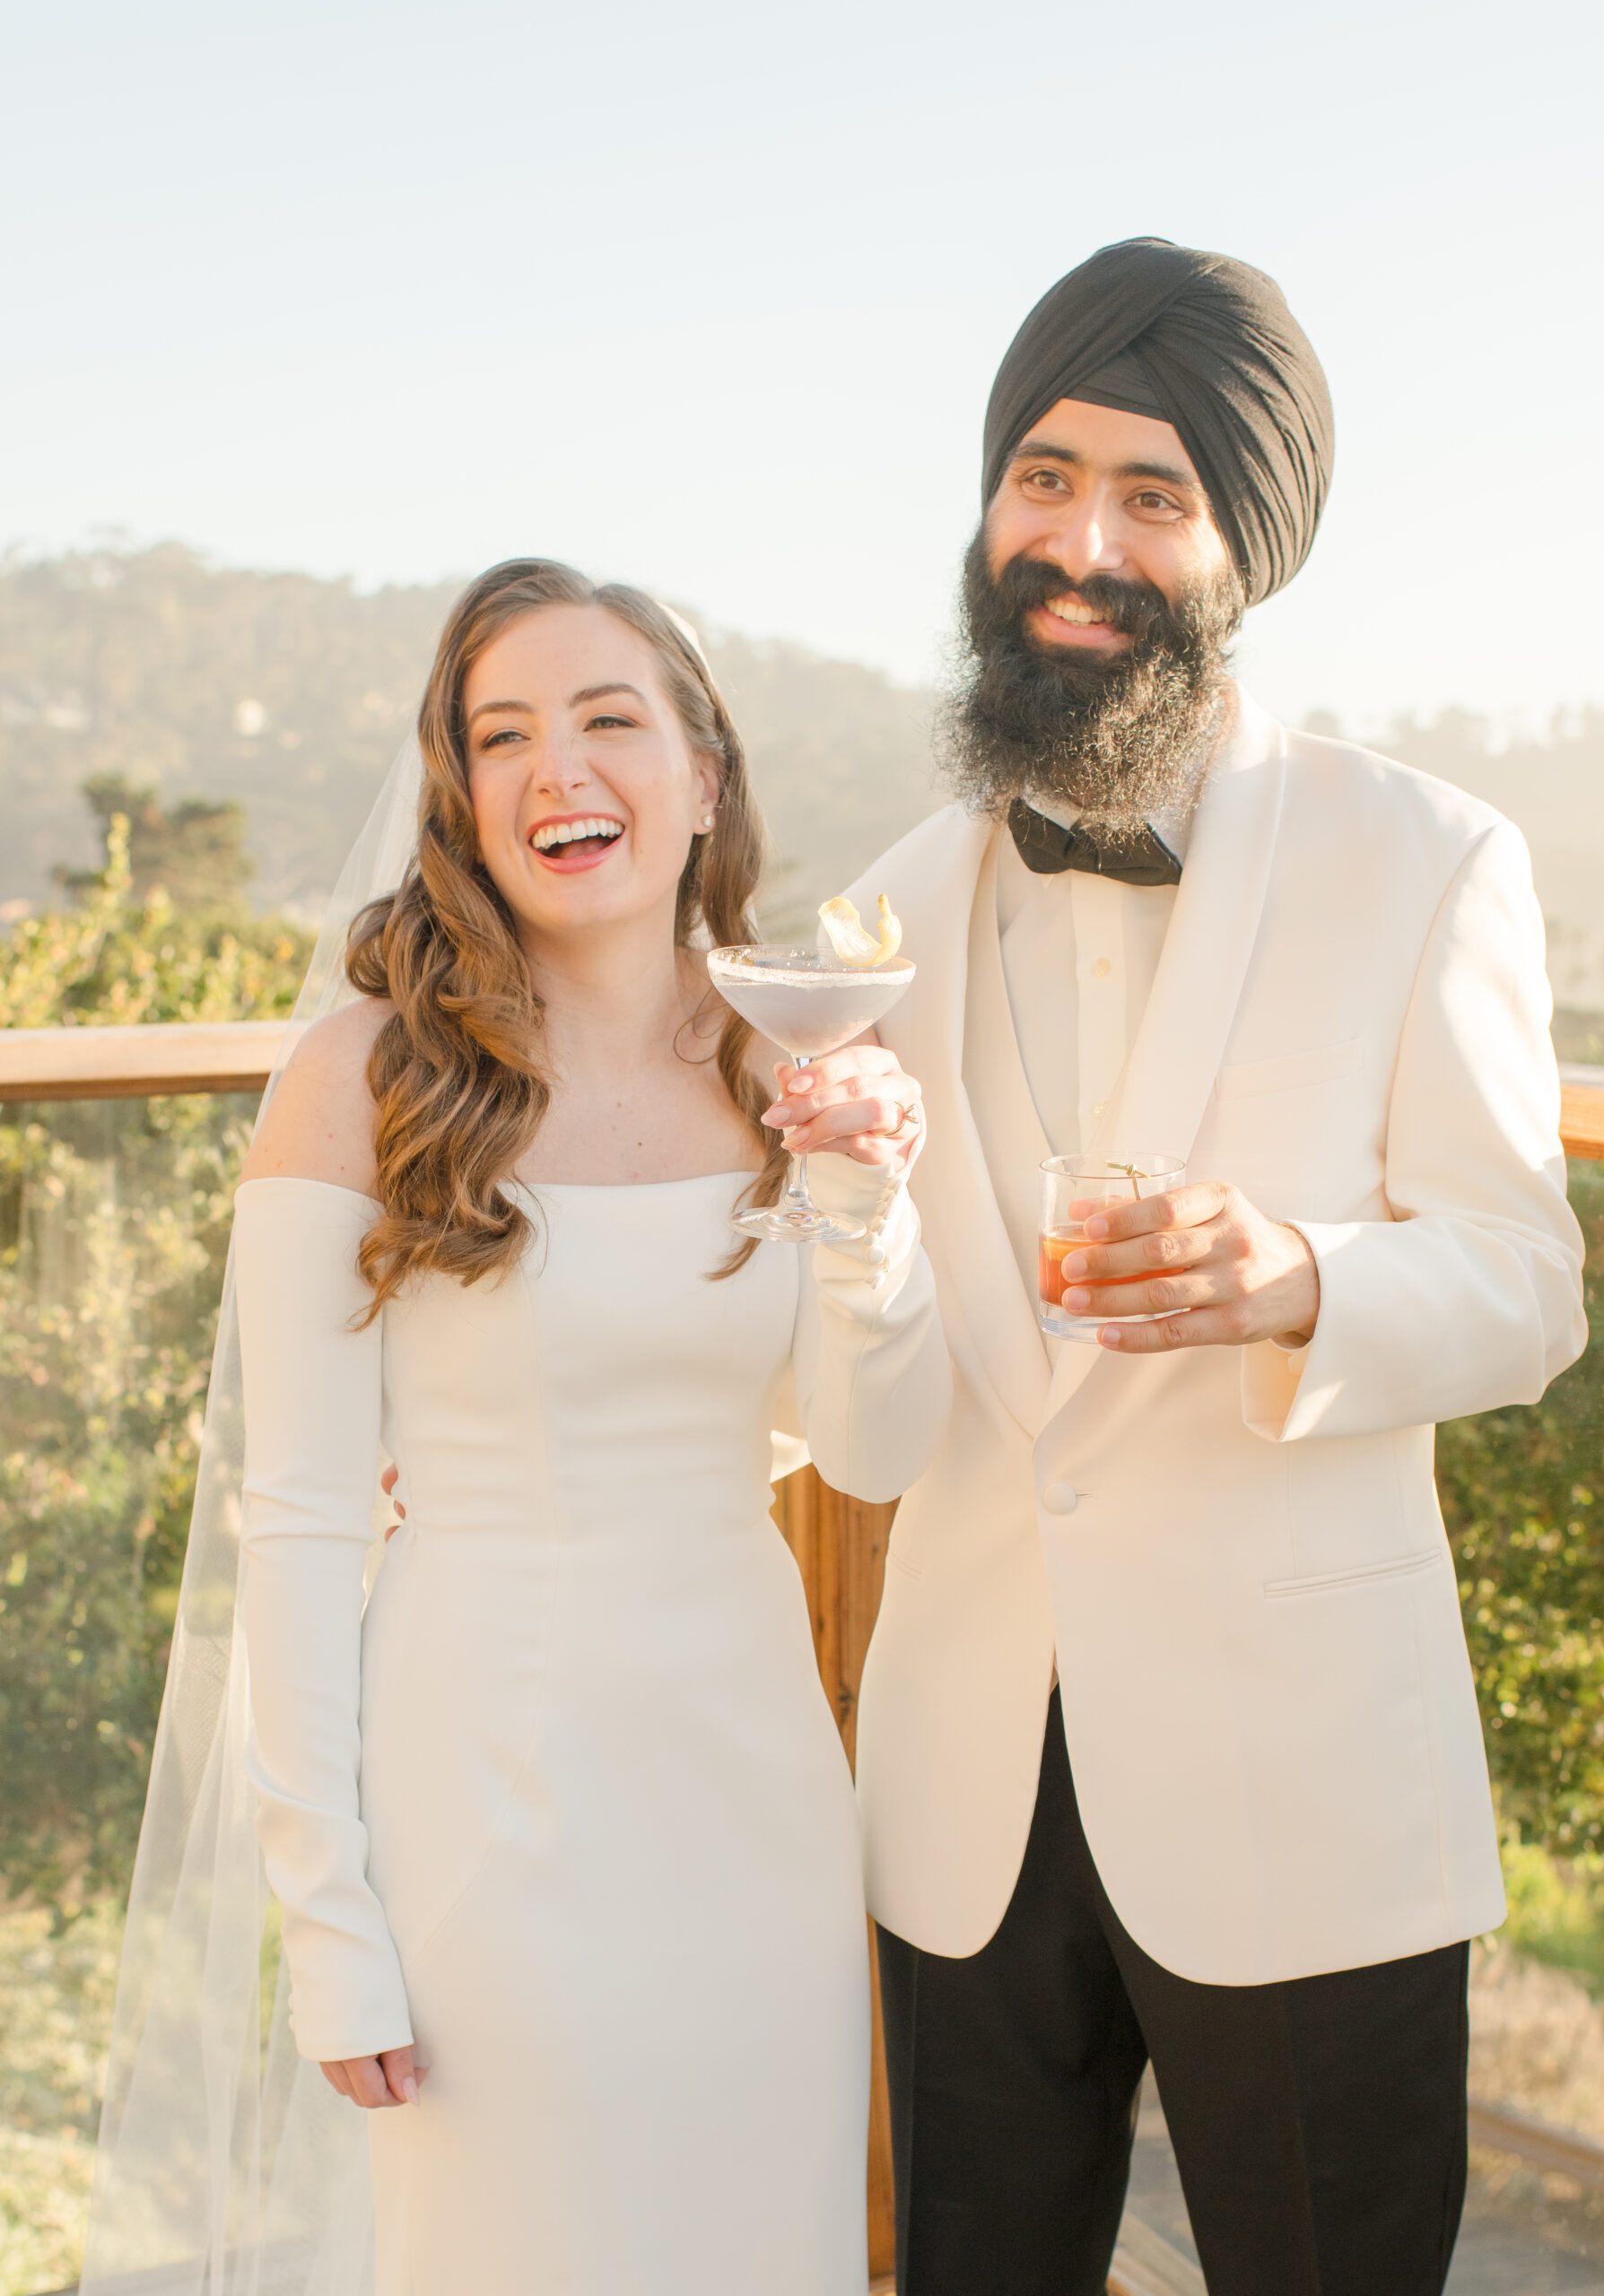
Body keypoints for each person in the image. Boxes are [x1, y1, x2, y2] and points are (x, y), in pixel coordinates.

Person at [784, 239, 1586, 2294]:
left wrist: (1298, 1274)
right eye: (1042, 477)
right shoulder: (873, 912)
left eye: (1153, 495)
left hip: (1302, 1780)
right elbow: (868, 1437)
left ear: (1245, 548)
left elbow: (1522, 1282)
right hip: (960, 1802)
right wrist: (846, 1206)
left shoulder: (1427, 855)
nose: (1079, 540)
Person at [81, 559, 950, 2295]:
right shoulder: (362, 1074)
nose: (557, 767)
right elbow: (303, 1515)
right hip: (481, 1794)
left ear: (704, 776)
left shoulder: (793, 1060)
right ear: (461, 802)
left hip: (753, 1797)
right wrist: (326, 1916)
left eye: (608, 718)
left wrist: (867, 1190)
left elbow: (872, 1448)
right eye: (502, 736)